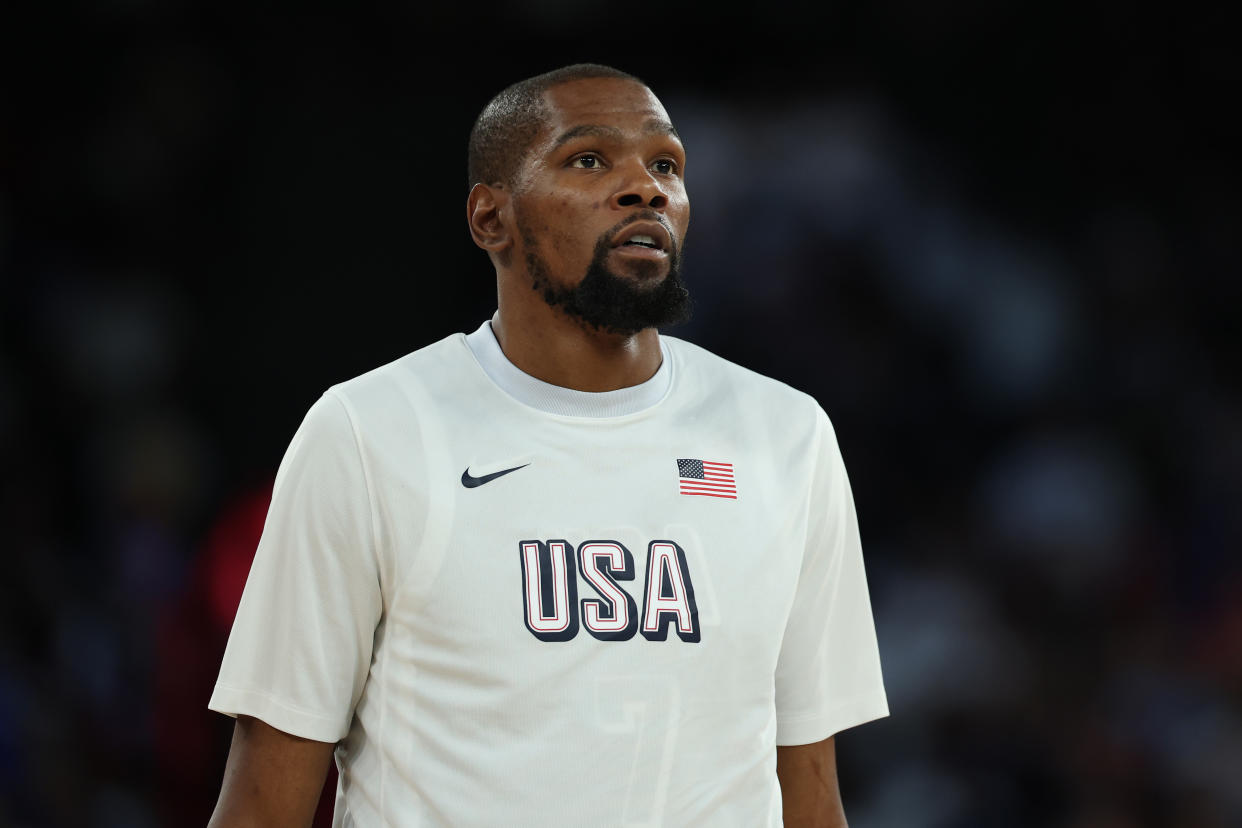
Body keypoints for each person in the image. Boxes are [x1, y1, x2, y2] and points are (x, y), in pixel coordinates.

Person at [206, 63, 888, 827]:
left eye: (666, 164)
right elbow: (266, 795)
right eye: (589, 160)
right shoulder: (370, 433)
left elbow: (812, 789)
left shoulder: (786, 437)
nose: (645, 188)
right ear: (490, 219)